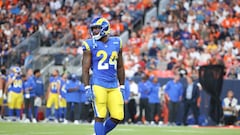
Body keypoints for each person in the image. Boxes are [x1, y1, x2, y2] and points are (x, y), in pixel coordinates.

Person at [82, 17, 125, 135]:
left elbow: (120, 66)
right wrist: (86, 87)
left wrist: (122, 86)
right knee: (100, 115)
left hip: (113, 85)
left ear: (105, 28)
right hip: (98, 83)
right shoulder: (90, 44)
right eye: (93, 29)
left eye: (97, 28)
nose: (95, 31)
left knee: (118, 116)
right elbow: (85, 69)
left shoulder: (117, 42)